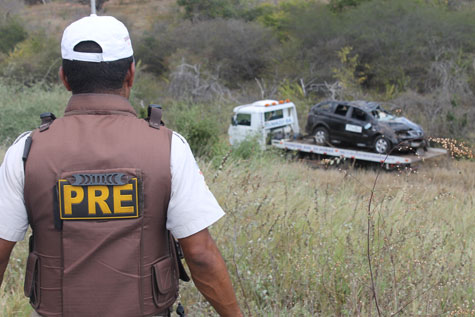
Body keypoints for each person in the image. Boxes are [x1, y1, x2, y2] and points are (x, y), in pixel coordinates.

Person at [0, 14, 242, 317]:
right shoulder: (168, 147)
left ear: (63, 77)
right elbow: (200, 254)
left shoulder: (26, 151)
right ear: (131, 73)